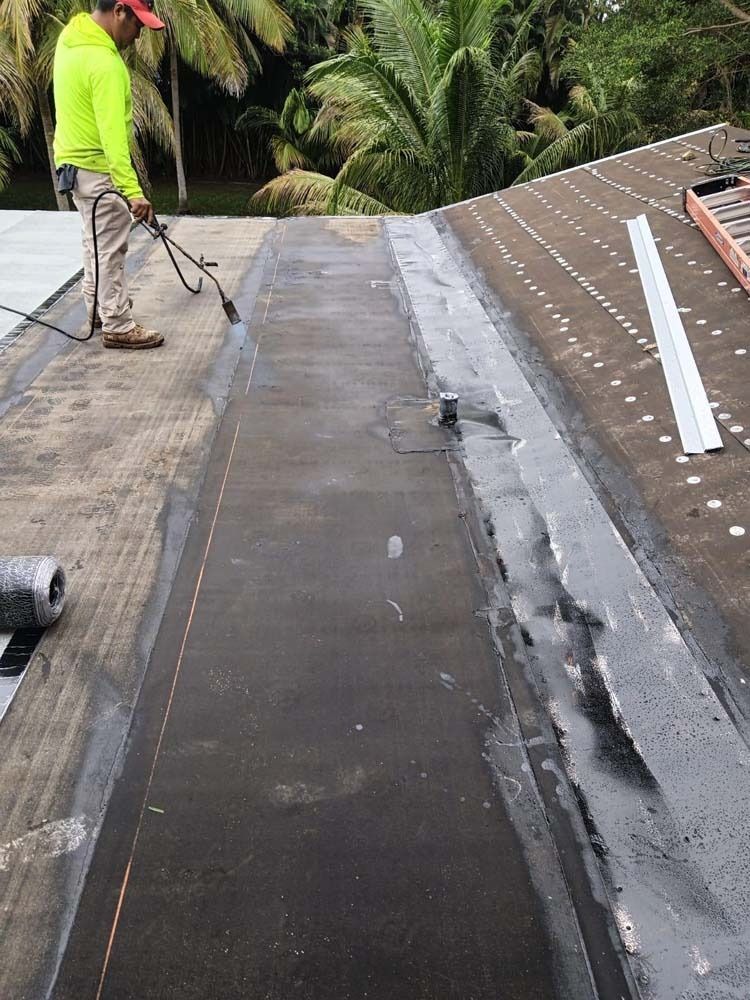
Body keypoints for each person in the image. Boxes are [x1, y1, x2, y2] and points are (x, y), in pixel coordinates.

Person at [53, 0, 166, 349]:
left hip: (72, 166)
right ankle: (117, 323)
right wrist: (133, 192)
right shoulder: (105, 64)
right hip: (97, 168)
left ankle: (97, 311)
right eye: (137, 25)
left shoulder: (70, 38)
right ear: (119, 11)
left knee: (94, 242)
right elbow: (113, 138)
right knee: (110, 247)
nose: (138, 35)